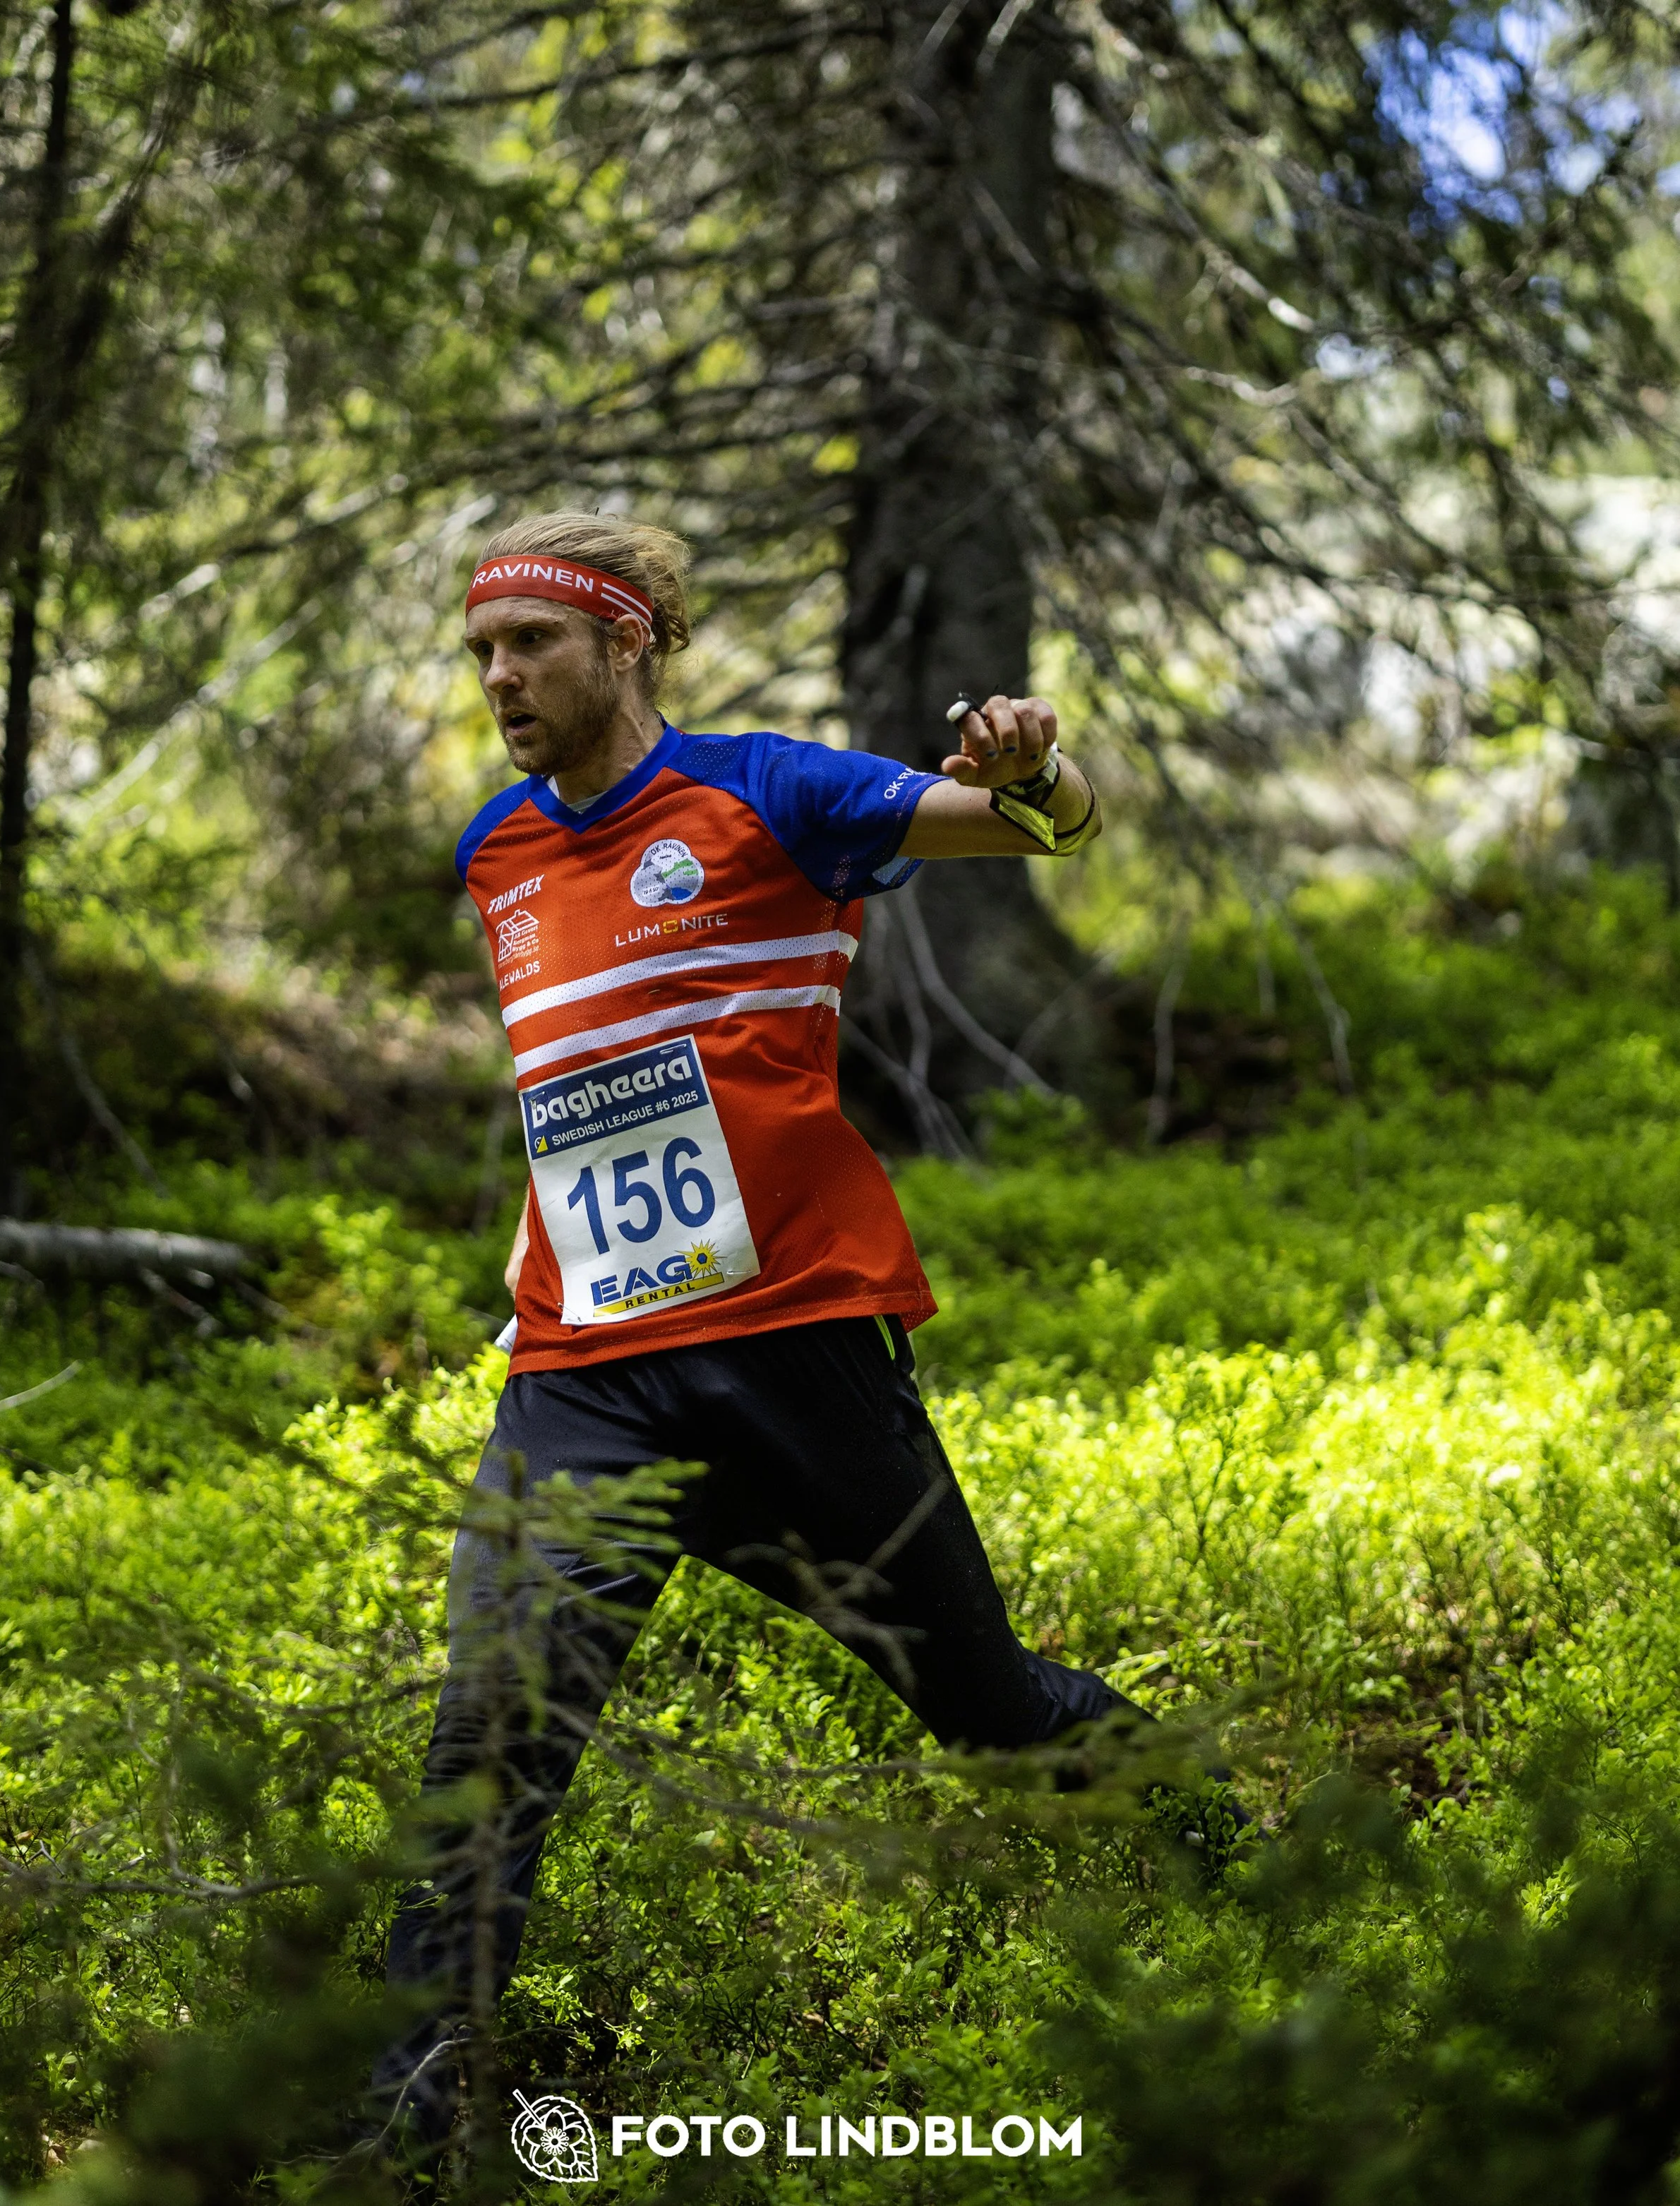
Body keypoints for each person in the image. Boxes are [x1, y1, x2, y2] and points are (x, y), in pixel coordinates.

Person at [368, 509, 1146, 2159]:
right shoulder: (496, 853)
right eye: (481, 649)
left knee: (991, 1712)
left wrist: (1034, 766)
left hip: (792, 1347)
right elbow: (580, 1090)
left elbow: (1039, 828)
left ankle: (1211, 1826)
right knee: (489, 1743)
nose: (497, 675)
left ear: (626, 639)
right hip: (580, 1371)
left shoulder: (766, 794)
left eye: (531, 643)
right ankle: (402, 2132)